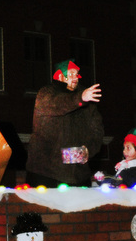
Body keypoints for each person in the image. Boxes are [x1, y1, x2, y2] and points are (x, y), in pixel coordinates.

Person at [26, 59, 104, 187]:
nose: (75, 77)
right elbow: (59, 104)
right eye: (71, 73)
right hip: (47, 174)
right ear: (60, 75)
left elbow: (97, 131)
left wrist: (88, 151)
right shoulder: (46, 93)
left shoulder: (87, 100)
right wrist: (81, 98)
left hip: (79, 175)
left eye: (76, 74)